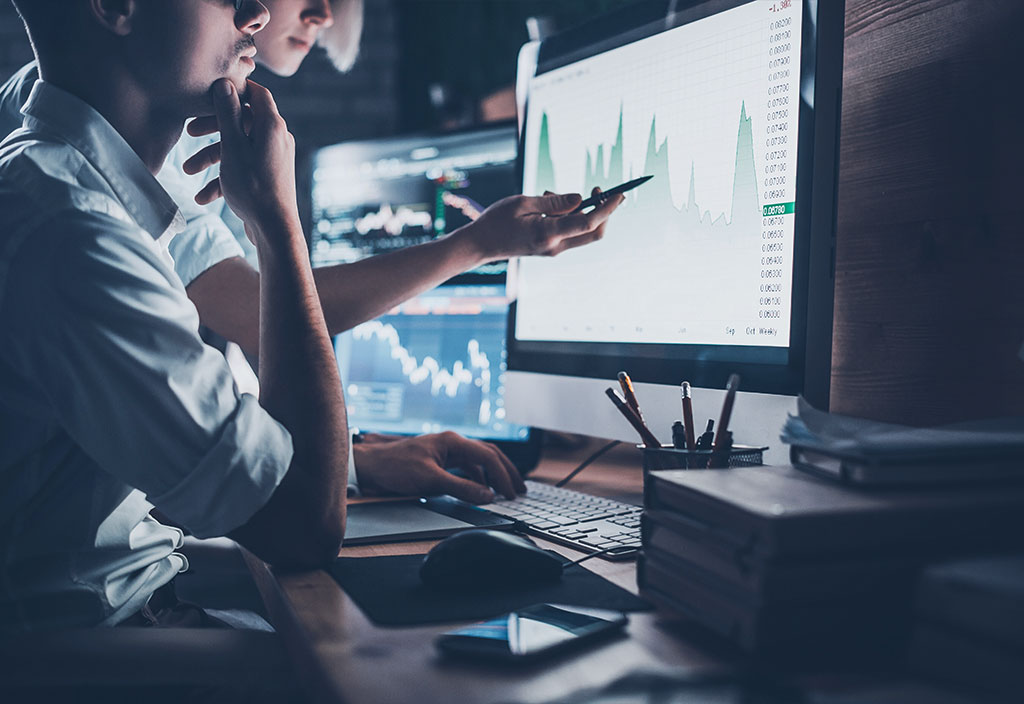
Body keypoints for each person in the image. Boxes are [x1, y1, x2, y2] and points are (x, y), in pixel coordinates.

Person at [0, 0, 622, 632]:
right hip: (90, 650)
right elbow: (303, 526)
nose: (257, 13)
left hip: (143, 590)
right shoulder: (74, 232)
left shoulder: (83, 182)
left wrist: (353, 465)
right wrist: (277, 222)